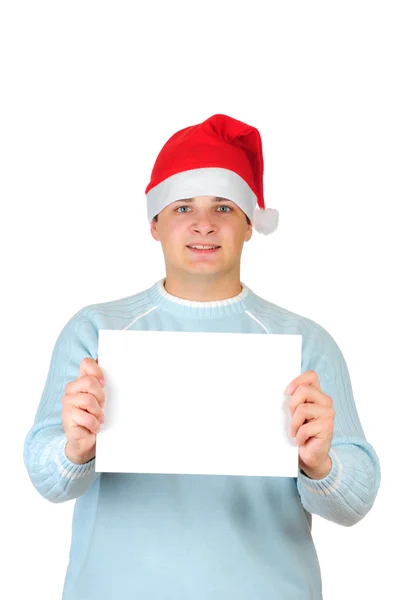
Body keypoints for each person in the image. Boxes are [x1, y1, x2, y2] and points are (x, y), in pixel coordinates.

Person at [23, 113, 381, 599]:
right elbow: (47, 479)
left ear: (250, 225)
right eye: (183, 207)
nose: (204, 224)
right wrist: (75, 449)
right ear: (155, 224)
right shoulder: (96, 331)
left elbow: (356, 499)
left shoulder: (304, 341)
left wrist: (320, 465)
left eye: (225, 208)